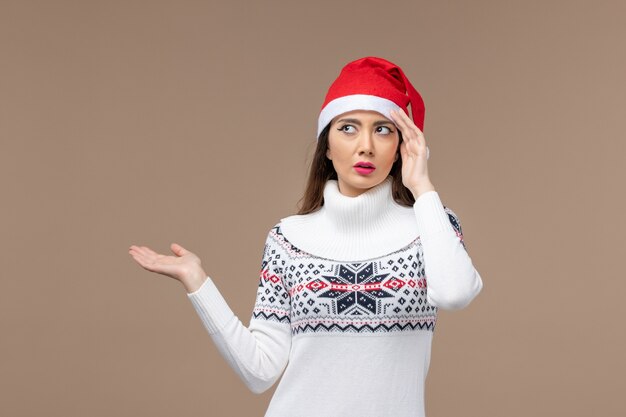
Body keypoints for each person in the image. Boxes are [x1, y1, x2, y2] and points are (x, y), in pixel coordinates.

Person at [128, 56, 484, 417]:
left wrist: (422, 185)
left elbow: (455, 294)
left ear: (401, 147)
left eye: (382, 129)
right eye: (348, 128)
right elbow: (260, 370)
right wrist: (197, 281)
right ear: (326, 145)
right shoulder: (288, 239)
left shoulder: (431, 224)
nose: (365, 146)